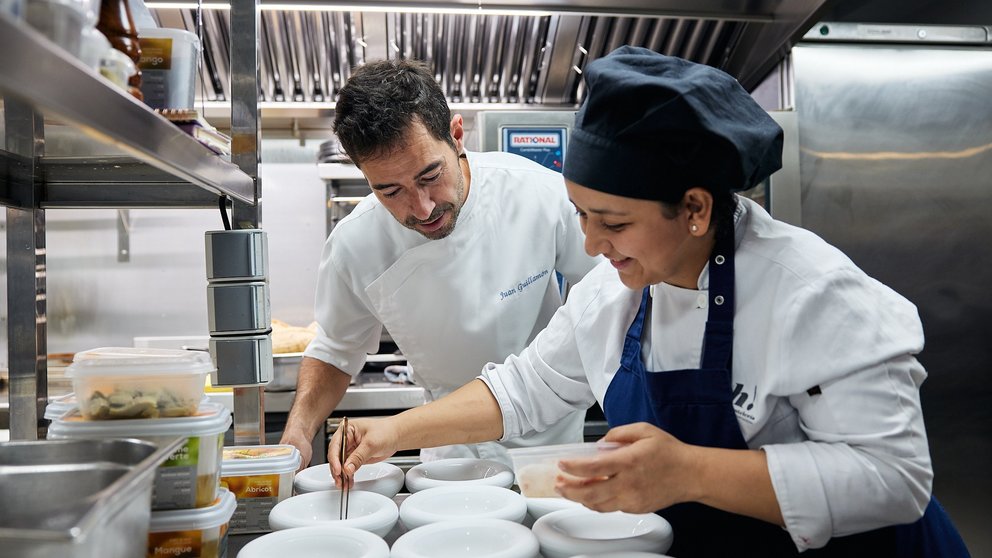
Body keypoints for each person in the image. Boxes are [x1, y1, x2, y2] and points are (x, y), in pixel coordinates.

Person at [329, 47, 970, 556]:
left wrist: (687, 472)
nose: (589, 242)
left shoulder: (814, 294)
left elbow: (894, 479)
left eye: (611, 222)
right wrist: (392, 433)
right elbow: (523, 388)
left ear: (694, 209)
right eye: (580, 216)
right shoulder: (617, 290)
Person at [280, 58, 600, 470]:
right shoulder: (355, 244)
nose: (422, 207)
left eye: (430, 176)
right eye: (390, 191)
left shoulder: (538, 196)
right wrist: (299, 431)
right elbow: (336, 349)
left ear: (456, 135)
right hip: (450, 460)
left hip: (552, 453)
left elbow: (612, 295)